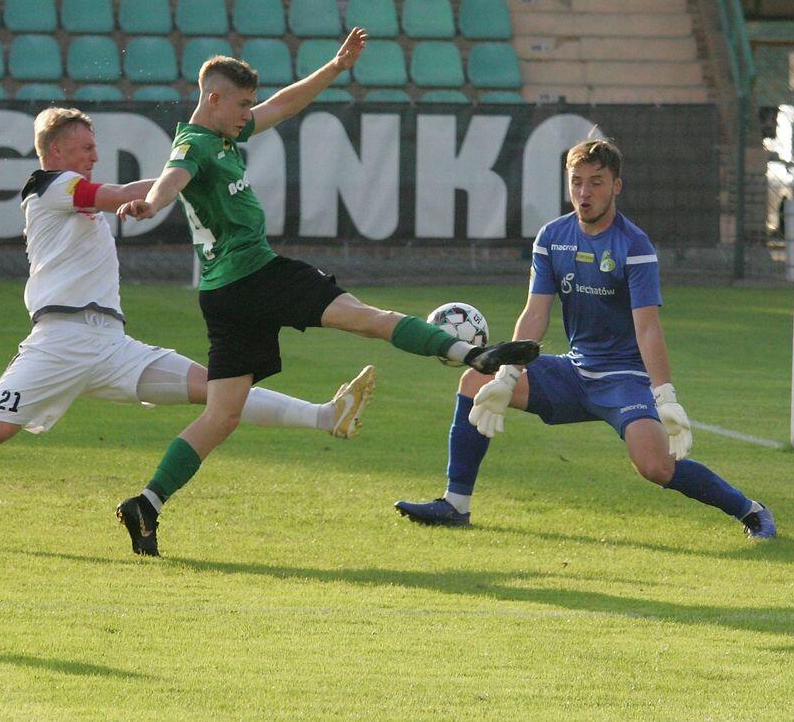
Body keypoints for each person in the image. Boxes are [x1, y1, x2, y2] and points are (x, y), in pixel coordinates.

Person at [0, 107, 377, 544]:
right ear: (55, 152)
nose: (94, 155)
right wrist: (182, 178)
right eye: (84, 147)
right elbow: (120, 194)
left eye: (93, 147)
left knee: (218, 390)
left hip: (110, 343)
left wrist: (184, 178)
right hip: (58, 342)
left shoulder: (73, 192)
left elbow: (128, 192)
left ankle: (327, 416)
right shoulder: (48, 185)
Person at [113, 27, 540, 556]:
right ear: (214, 98)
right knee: (366, 317)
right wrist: (151, 205)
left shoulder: (222, 135)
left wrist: (335, 67)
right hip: (260, 276)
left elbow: (283, 106)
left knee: (222, 416)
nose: (250, 113)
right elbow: (171, 178)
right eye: (242, 104)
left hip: (224, 296)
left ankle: (148, 502)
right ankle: (473, 355)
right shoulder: (194, 145)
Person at [394, 138, 777, 539]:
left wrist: (665, 396)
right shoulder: (552, 237)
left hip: (623, 379)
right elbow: (535, 314)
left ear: (616, 186)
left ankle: (750, 510)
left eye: (596, 182)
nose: (584, 192)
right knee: (475, 379)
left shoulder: (634, 245)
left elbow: (648, 327)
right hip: (575, 372)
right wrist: (508, 375)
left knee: (655, 466)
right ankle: (455, 505)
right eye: (576, 181)